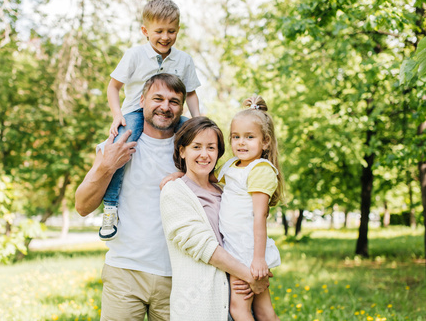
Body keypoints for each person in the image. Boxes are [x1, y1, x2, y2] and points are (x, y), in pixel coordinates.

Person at [76, 73, 190, 321]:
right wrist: (107, 166)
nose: (165, 107)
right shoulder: (116, 143)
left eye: (174, 101)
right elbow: (82, 206)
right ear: (142, 100)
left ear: (182, 107)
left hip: (179, 275)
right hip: (124, 272)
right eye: (157, 98)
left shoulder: (193, 150)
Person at [100, 0, 201, 241]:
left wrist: (199, 120)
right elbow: (113, 87)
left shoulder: (184, 60)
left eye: (171, 31)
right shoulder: (135, 55)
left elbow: (191, 93)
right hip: (137, 112)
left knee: (199, 139)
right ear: (145, 31)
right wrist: (117, 116)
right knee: (121, 146)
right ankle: (110, 207)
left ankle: (198, 195)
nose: (165, 37)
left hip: (172, 114)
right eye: (159, 31)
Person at [160, 116, 271, 321]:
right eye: (196, 147)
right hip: (202, 306)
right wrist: (251, 276)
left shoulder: (225, 190)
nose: (204, 154)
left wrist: (253, 273)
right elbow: (205, 248)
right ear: (182, 151)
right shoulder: (175, 192)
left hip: (239, 295)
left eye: (211, 148)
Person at [218, 95, 284, 321]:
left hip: (244, 249)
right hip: (237, 245)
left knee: (239, 309)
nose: (241, 142)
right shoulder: (232, 166)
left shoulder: (260, 169)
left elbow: (260, 216)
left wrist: (257, 259)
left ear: (265, 142)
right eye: (235, 137)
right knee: (264, 311)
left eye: (249, 137)